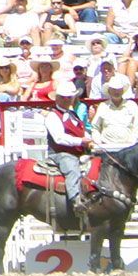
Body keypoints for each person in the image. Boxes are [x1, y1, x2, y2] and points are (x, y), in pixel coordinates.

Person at [44, 82, 92, 224]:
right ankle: (75, 200)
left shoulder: (72, 114)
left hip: (79, 151)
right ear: (57, 98)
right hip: (60, 153)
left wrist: (90, 138)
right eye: (64, 97)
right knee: (71, 168)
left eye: (69, 97)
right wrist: (81, 141)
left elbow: (83, 131)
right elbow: (59, 138)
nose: (67, 100)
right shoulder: (53, 116)